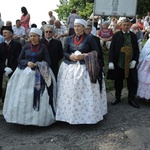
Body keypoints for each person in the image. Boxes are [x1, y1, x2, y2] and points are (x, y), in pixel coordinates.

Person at [56, 19, 107, 124]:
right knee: (70, 92)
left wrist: (83, 56)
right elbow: (64, 52)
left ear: (83, 28)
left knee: (85, 93)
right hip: (70, 67)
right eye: (75, 26)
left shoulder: (90, 39)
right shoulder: (69, 39)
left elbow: (96, 52)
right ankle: (68, 114)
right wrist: (70, 56)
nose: (76, 28)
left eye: (79, 26)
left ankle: (88, 116)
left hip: (85, 68)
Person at [3, 28, 56, 126]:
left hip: (39, 74)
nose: (32, 38)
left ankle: (38, 119)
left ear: (39, 37)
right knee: (22, 95)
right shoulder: (26, 46)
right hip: (24, 73)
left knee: (39, 95)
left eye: (34, 36)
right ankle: (22, 118)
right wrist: (27, 63)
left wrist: (37, 64)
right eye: (31, 36)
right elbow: (19, 60)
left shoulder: (43, 47)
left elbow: (48, 61)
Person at [108, 18, 140, 108]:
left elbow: (136, 50)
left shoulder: (133, 36)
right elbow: (112, 49)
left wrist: (134, 60)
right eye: (124, 25)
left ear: (130, 26)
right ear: (121, 25)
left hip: (130, 62)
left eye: (127, 25)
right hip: (119, 62)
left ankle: (131, 99)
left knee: (132, 81)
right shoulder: (116, 35)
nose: (126, 27)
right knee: (118, 81)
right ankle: (117, 97)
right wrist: (111, 61)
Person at [0, 26, 22, 103]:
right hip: (2, 70)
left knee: (12, 86)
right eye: (3, 33)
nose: (4, 34)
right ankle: (2, 102)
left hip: (13, 69)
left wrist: (12, 68)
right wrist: (4, 68)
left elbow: (18, 58)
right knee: (2, 87)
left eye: (6, 32)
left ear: (11, 34)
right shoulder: (1, 45)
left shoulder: (17, 45)